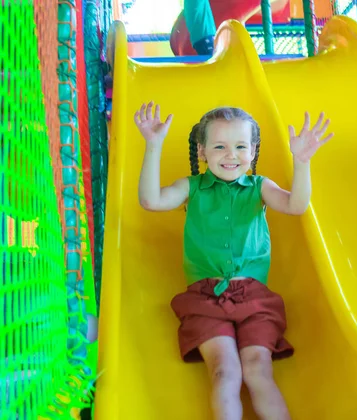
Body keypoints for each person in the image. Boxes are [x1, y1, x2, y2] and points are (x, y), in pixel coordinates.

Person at [134, 101, 333, 420]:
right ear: (202, 151)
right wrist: (153, 145)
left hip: (255, 300)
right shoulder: (193, 188)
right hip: (205, 299)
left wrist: (302, 162)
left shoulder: (259, 187)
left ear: (253, 151)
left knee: (256, 370)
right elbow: (151, 200)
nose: (231, 155)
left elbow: (296, 205)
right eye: (220, 146)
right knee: (225, 372)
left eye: (241, 146)